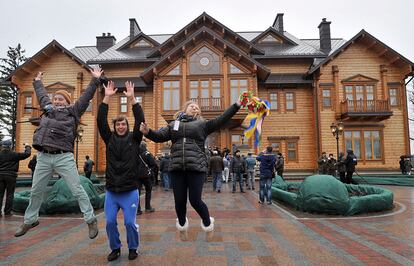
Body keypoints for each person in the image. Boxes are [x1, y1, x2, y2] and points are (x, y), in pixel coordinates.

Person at [15, 70, 102, 238]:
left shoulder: (73, 111)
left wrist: (95, 80)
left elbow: (86, 96)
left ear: (67, 101)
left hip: (63, 156)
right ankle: (30, 220)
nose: (56, 101)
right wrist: (38, 81)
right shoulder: (47, 110)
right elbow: (41, 95)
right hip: (44, 156)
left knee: (77, 189)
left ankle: (90, 219)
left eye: (60, 98)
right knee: (36, 190)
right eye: (55, 98)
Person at [140, 100, 241, 240]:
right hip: (177, 167)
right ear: (185, 108)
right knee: (179, 201)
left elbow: (221, 119)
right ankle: (182, 225)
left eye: (197, 108)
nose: (194, 108)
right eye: (192, 106)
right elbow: (159, 136)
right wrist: (148, 132)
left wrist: (236, 106)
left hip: (196, 167)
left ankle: (207, 223)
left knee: (195, 200)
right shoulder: (174, 124)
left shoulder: (202, 124)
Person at [97, 80, 143, 261]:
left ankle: (133, 248)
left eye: (123, 124)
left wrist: (132, 99)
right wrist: (107, 97)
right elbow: (101, 121)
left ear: (127, 126)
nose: (121, 127)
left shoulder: (135, 139)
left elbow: (140, 120)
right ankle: (115, 248)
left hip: (130, 190)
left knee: (130, 223)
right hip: (112, 191)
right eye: (118, 125)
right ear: (115, 127)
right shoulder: (109, 139)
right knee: (109, 222)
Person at [0, 140, 32, 216]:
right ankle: (7, 212)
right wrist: (27, 146)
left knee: (0, 194)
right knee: (10, 194)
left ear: (2, 146)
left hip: (0, 175)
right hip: (11, 176)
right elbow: (27, 154)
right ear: (10, 146)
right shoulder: (15, 154)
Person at [136, 141, 156, 215]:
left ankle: (138, 210)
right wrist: (150, 170)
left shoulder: (135, 154)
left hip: (137, 176)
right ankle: (147, 207)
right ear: (145, 146)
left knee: (137, 192)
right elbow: (153, 164)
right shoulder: (147, 153)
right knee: (148, 190)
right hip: (146, 175)